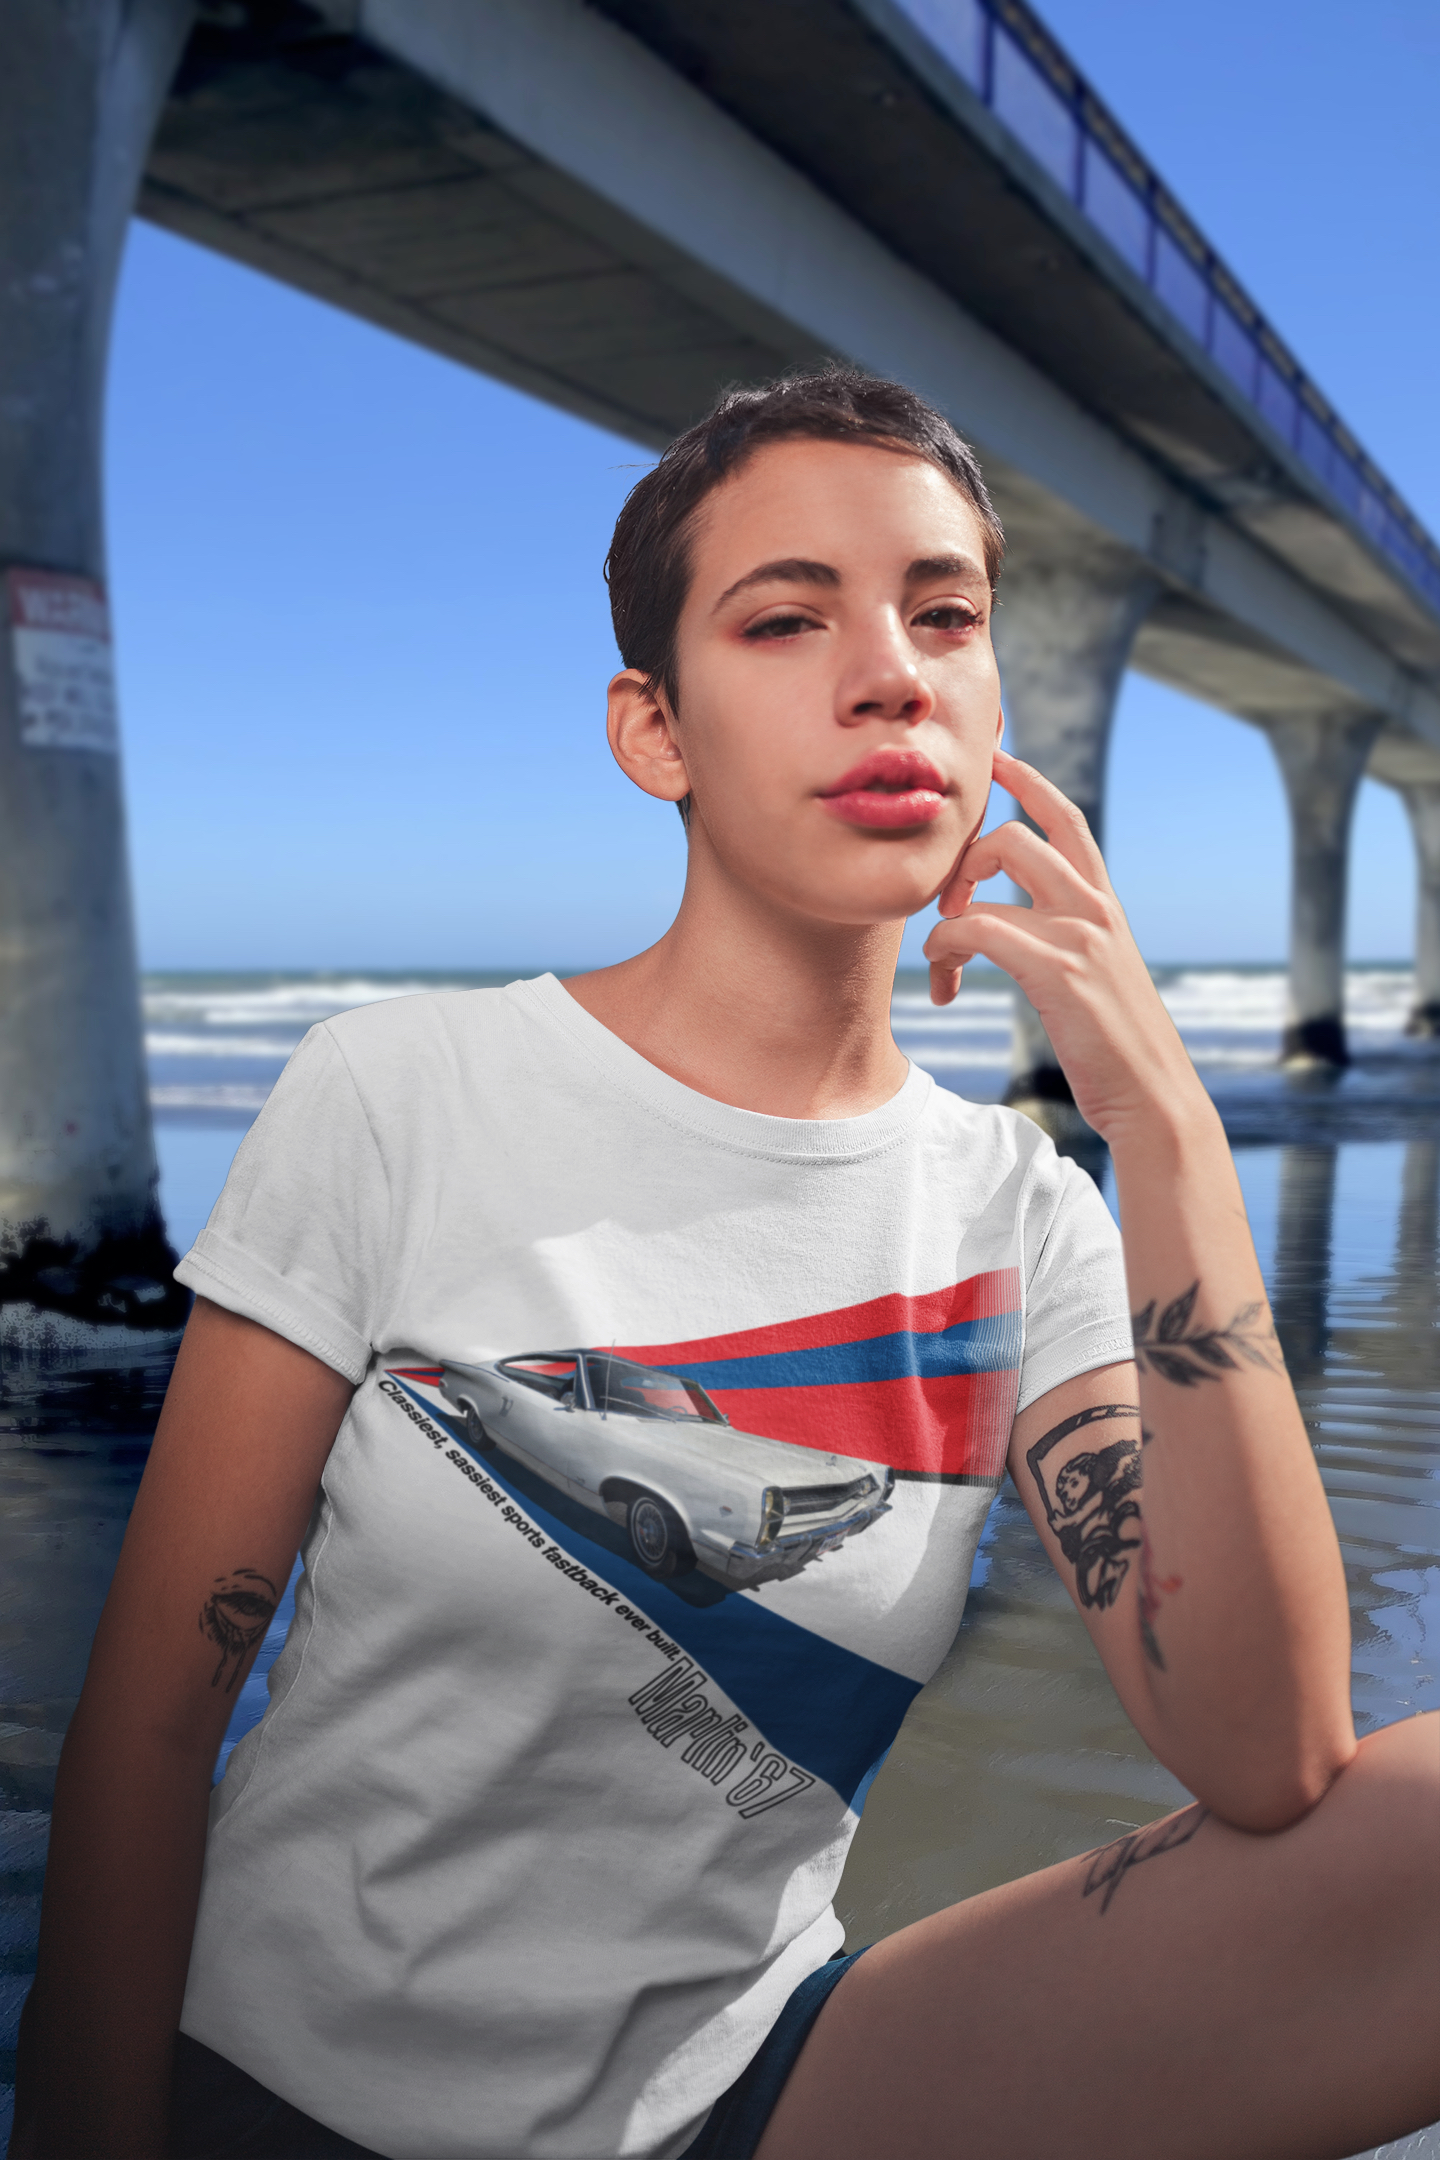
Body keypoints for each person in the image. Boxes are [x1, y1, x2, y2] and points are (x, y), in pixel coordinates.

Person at [12, 366, 1438, 2160]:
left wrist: (1171, 1135)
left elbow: (1268, 1753)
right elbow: (151, 1720)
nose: (890, 672)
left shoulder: (1024, 1213)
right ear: (655, 731)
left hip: (754, 2087)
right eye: (785, 618)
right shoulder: (403, 1094)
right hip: (301, 2104)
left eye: (945, 615)